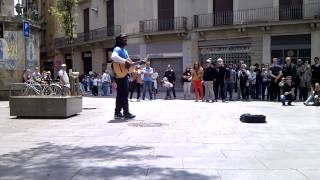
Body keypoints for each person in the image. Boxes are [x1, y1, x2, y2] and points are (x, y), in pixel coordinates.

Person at [110, 33, 135, 119]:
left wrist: (136, 66)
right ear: (119, 40)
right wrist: (125, 61)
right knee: (124, 94)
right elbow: (113, 57)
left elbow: (129, 64)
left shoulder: (125, 51)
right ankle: (126, 112)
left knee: (121, 95)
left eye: (126, 38)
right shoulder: (117, 48)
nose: (126, 40)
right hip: (120, 75)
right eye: (124, 39)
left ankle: (117, 112)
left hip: (124, 74)